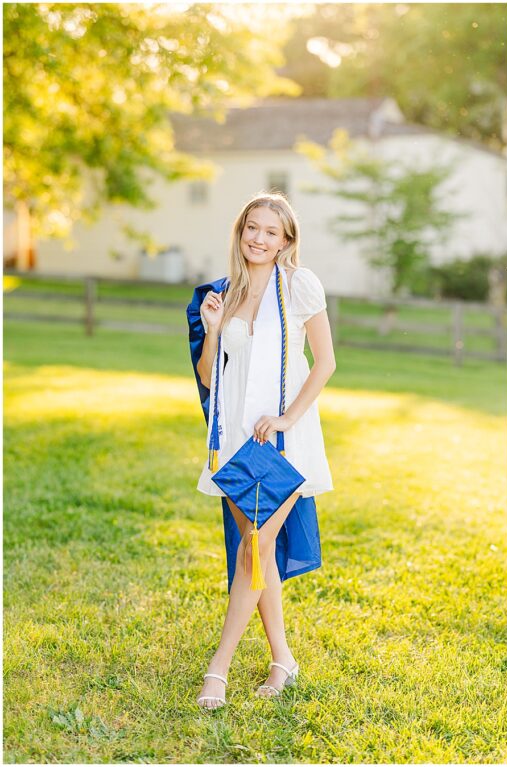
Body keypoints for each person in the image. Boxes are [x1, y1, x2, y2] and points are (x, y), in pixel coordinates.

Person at [186, 192, 336, 709]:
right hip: (232, 444)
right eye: (252, 228)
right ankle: (283, 661)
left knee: (254, 547)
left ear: (286, 240)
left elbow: (326, 362)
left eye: (271, 232)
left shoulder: (297, 285)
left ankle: (218, 669)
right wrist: (210, 331)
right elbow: (210, 377)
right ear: (240, 230)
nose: (259, 238)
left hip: (281, 443)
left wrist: (290, 417)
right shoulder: (225, 293)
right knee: (259, 548)